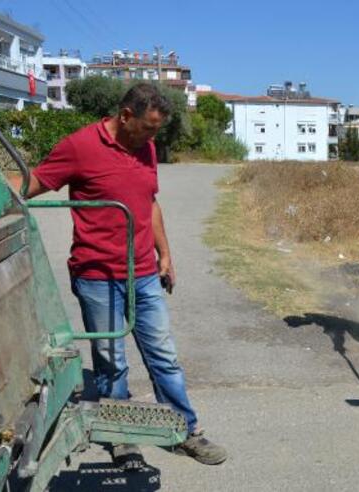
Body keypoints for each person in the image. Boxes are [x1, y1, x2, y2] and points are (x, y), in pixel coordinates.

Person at [12, 83, 227, 466]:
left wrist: (166, 253)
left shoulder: (144, 146)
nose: (153, 137)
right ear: (125, 115)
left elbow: (149, 202)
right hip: (98, 276)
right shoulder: (79, 146)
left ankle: (185, 431)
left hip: (143, 272)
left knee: (164, 356)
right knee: (111, 361)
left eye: (157, 130)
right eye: (148, 127)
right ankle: (122, 437)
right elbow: (37, 182)